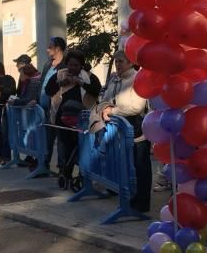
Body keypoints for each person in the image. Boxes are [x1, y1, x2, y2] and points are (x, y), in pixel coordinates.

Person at [98, 49, 151, 213]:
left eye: (121, 61)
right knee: (126, 166)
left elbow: (136, 107)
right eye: (116, 61)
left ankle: (142, 202)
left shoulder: (138, 79)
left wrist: (112, 111)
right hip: (119, 131)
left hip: (137, 131)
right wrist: (104, 107)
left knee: (140, 166)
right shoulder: (115, 79)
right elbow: (105, 99)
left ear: (130, 62)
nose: (117, 64)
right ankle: (128, 197)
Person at [45, 49, 101, 178]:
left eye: (76, 65)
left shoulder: (89, 76)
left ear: (81, 65)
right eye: (70, 64)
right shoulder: (60, 74)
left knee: (81, 148)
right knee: (65, 147)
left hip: (83, 120)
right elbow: (48, 90)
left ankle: (83, 175)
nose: (73, 68)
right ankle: (66, 173)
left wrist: (81, 83)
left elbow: (96, 90)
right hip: (62, 119)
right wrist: (60, 84)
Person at [40, 37, 67, 168]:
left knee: (61, 139)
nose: (47, 49)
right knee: (47, 138)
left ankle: (62, 166)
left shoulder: (65, 66)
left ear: (57, 48)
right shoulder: (47, 65)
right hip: (44, 109)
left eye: (50, 47)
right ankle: (45, 164)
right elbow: (41, 83)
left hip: (58, 108)